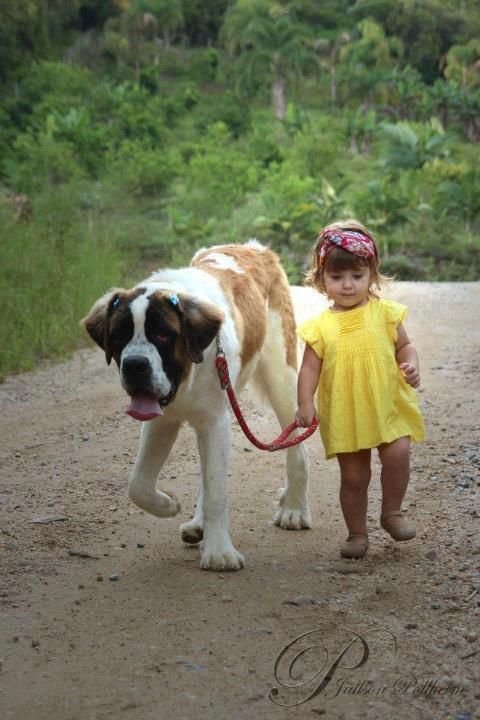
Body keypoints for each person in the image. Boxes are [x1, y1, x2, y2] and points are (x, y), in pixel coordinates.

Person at [295, 219, 425, 559]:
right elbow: (309, 368)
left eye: (357, 276)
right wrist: (304, 402)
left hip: (388, 404)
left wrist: (411, 364)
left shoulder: (385, 314)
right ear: (322, 279)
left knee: (398, 454)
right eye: (337, 278)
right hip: (347, 412)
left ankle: (392, 512)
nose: (348, 285)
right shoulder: (320, 327)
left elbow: (404, 347)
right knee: (354, 477)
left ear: (372, 273)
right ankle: (356, 533)